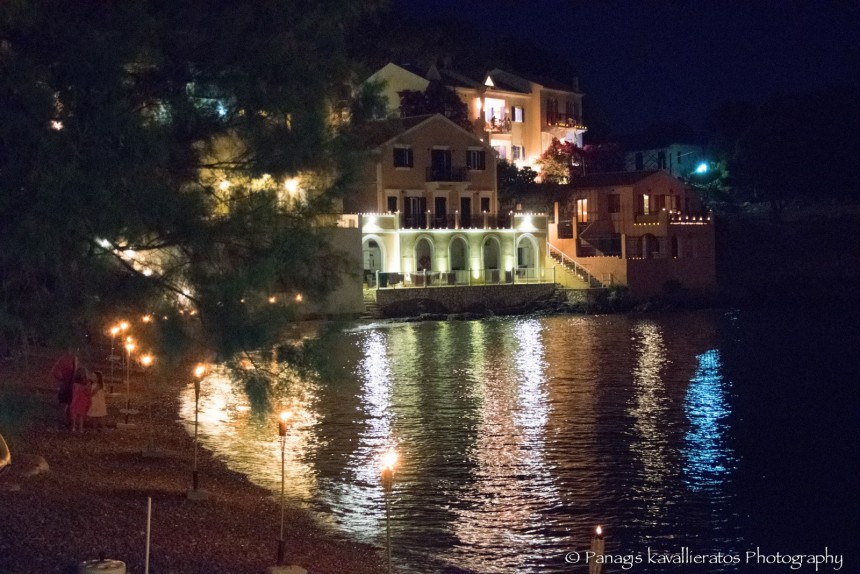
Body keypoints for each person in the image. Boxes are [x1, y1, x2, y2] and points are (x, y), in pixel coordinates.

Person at [51, 349, 78, 424]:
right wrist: (61, 378)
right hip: (67, 384)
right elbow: (54, 371)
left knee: (69, 404)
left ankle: (67, 421)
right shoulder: (66, 359)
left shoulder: (72, 359)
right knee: (66, 403)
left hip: (69, 384)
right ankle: (64, 421)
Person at [69, 367, 91, 432]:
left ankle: (74, 427)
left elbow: (74, 392)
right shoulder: (84, 386)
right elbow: (87, 392)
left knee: (74, 414)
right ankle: (80, 428)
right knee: (81, 415)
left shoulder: (75, 385)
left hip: (75, 400)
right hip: (82, 401)